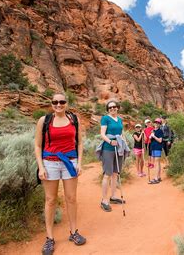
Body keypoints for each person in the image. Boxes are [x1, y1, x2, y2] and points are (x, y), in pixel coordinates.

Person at [34, 93, 86, 255]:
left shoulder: (74, 120)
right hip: (50, 163)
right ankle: (49, 238)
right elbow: (37, 145)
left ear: (66, 103)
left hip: (70, 162)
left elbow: (80, 143)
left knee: (71, 198)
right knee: (50, 200)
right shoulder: (44, 121)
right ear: (51, 103)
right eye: (55, 102)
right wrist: (41, 167)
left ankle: (73, 232)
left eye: (62, 101)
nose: (58, 104)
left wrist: (79, 162)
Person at [97, 100, 129, 212]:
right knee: (107, 174)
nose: (112, 108)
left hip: (119, 148)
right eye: (110, 107)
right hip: (108, 148)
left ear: (118, 108)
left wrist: (124, 143)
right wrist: (110, 141)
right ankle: (104, 200)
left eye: (114, 107)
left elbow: (121, 133)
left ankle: (113, 196)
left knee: (115, 173)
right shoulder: (105, 118)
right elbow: (102, 134)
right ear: (108, 109)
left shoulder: (120, 119)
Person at [148, 118, 164, 184]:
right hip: (153, 147)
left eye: (158, 123)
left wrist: (154, 136)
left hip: (158, 147)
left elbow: (160, 140)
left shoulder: (160, 131)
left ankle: (156, 178)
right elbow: (150, 139)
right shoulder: (152, 131)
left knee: (156, 163)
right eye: (155, 122)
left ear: (160, 124)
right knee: (158, 163)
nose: (156, 124)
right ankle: (159, 177)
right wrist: (150, 137)